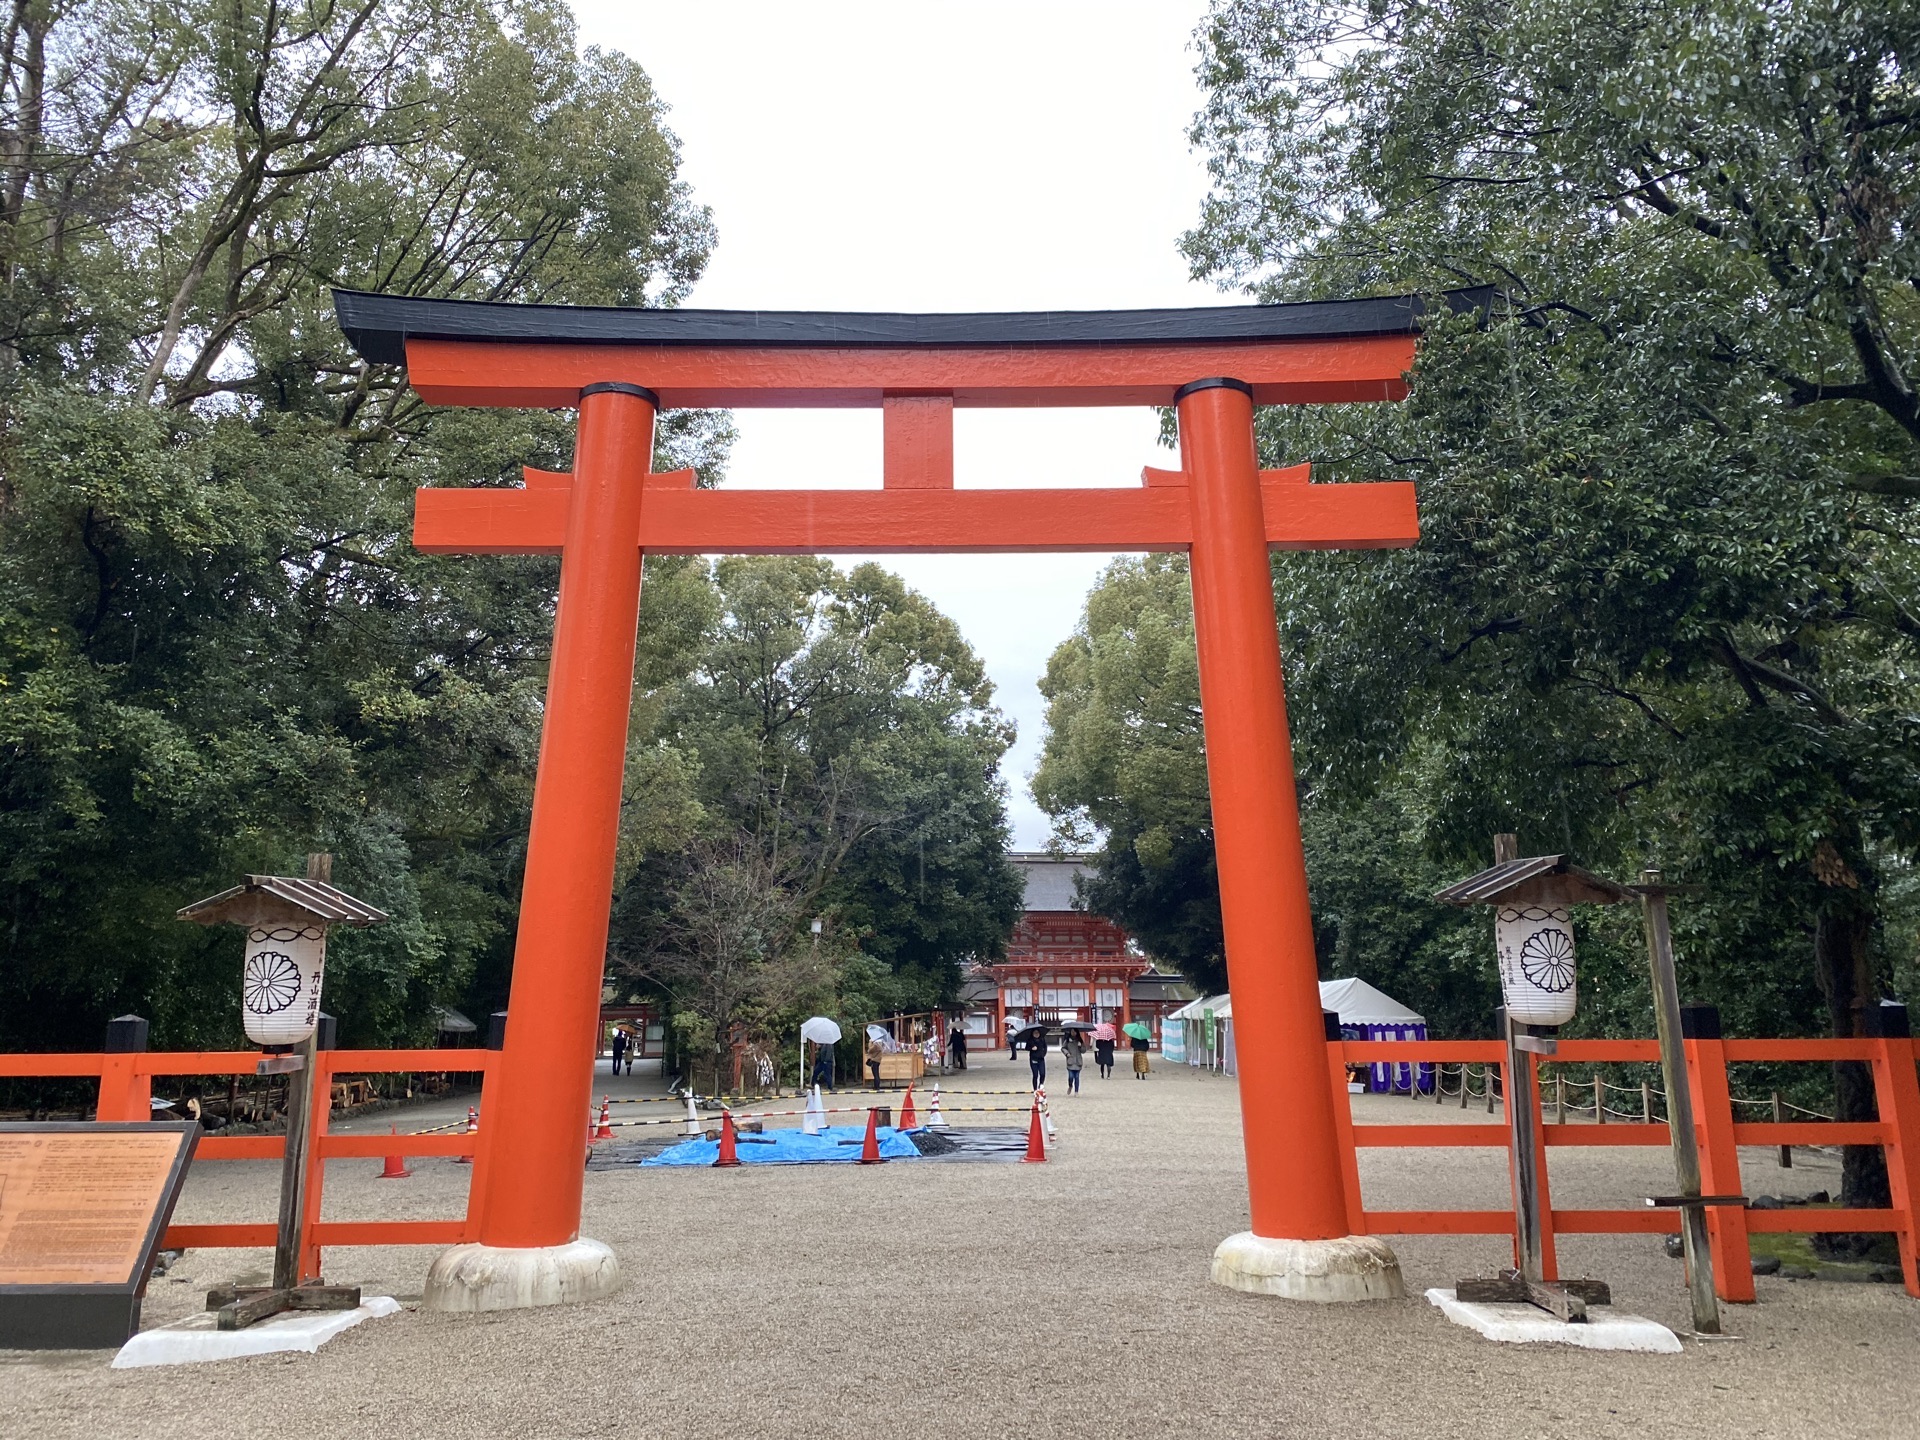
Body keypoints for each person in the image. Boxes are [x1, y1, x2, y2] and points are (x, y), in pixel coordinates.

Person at [1060, 1029, 1085, 1094]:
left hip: (1078, 1061)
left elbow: (1084, 1051)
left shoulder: (1080, 1041)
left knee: (1077, 1077)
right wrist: (1067, 1053)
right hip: (1070, 1060)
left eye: (1074, 1032)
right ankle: (1070, 1086)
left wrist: (1080, 1046)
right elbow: (1063, 1048)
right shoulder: (1067, 1040)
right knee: (1070, 1076)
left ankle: (1076, 1091)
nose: (1073, 1033)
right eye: (1072, 1031)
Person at [1024, 1024, 1048, 1090]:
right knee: (1035, 1075)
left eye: (1037, 1033)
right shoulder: (1030, 1040)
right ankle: (1035, 1089)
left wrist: (1043, 1054)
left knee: (1042, 1074)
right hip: (1033, 1059)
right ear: (1032, 1033)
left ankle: (1040, 1085)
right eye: (1035, 1033)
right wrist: (1032, 1048)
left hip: (1041, 1058)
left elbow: (1045, 1047)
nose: (1036, 1034)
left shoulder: (1042, 1039)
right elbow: (1026, 1048)